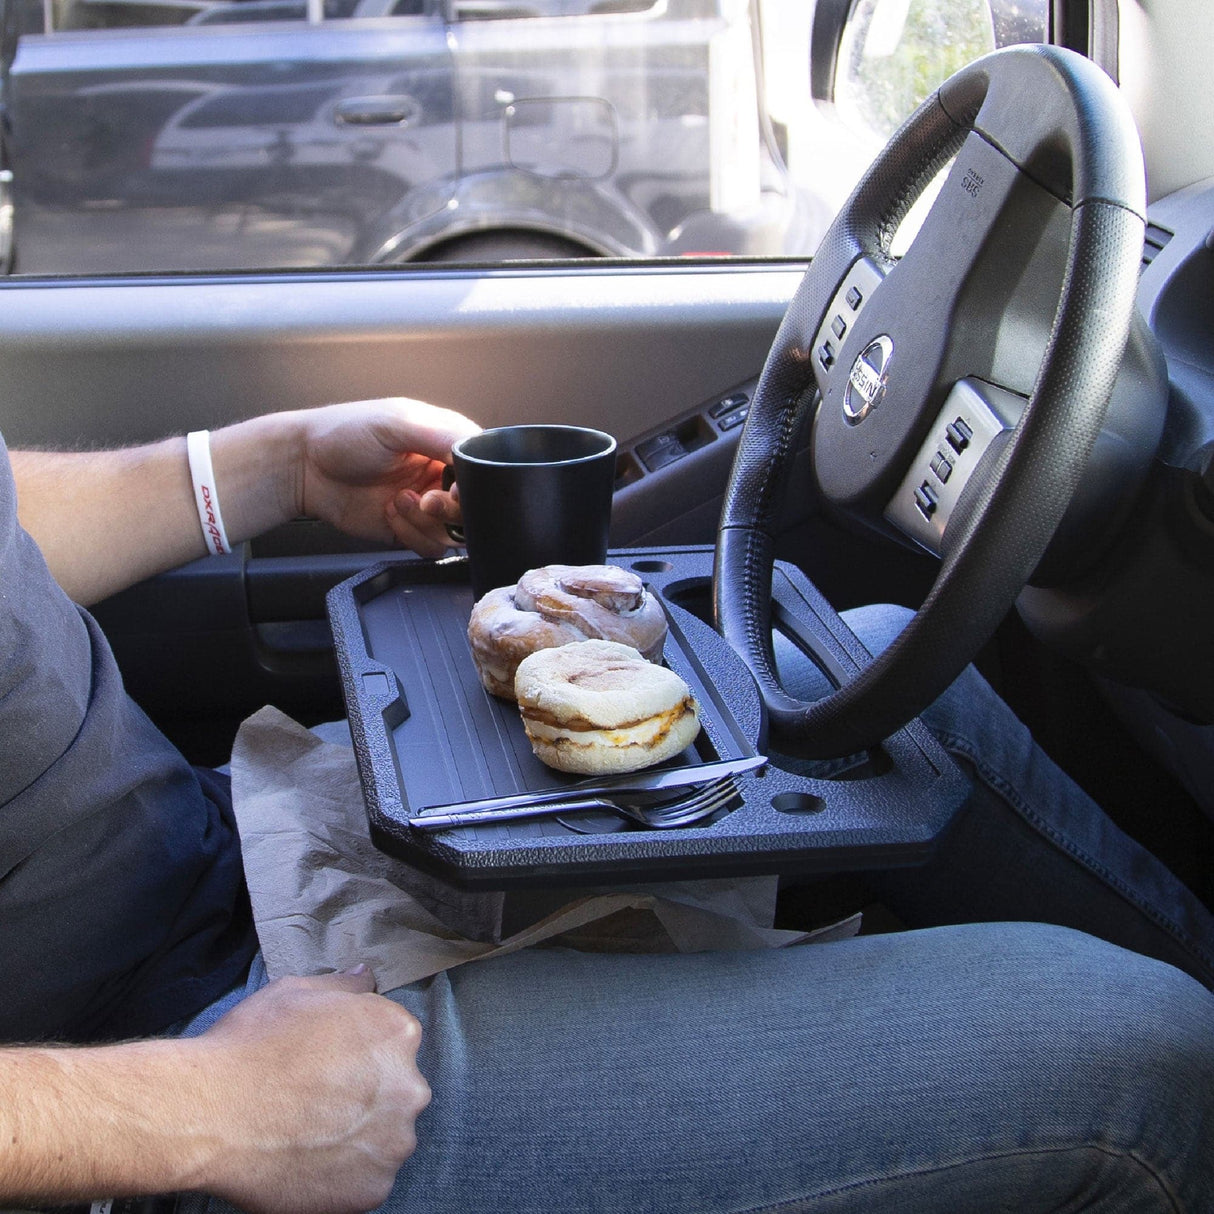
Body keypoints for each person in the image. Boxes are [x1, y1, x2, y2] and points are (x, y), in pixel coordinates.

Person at [1, 399, 1213, 1214]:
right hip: (159, 1079)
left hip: (227, 845)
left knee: (864, 670)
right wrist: (210, 1110)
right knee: (1142, 1050)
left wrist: (278, 463)